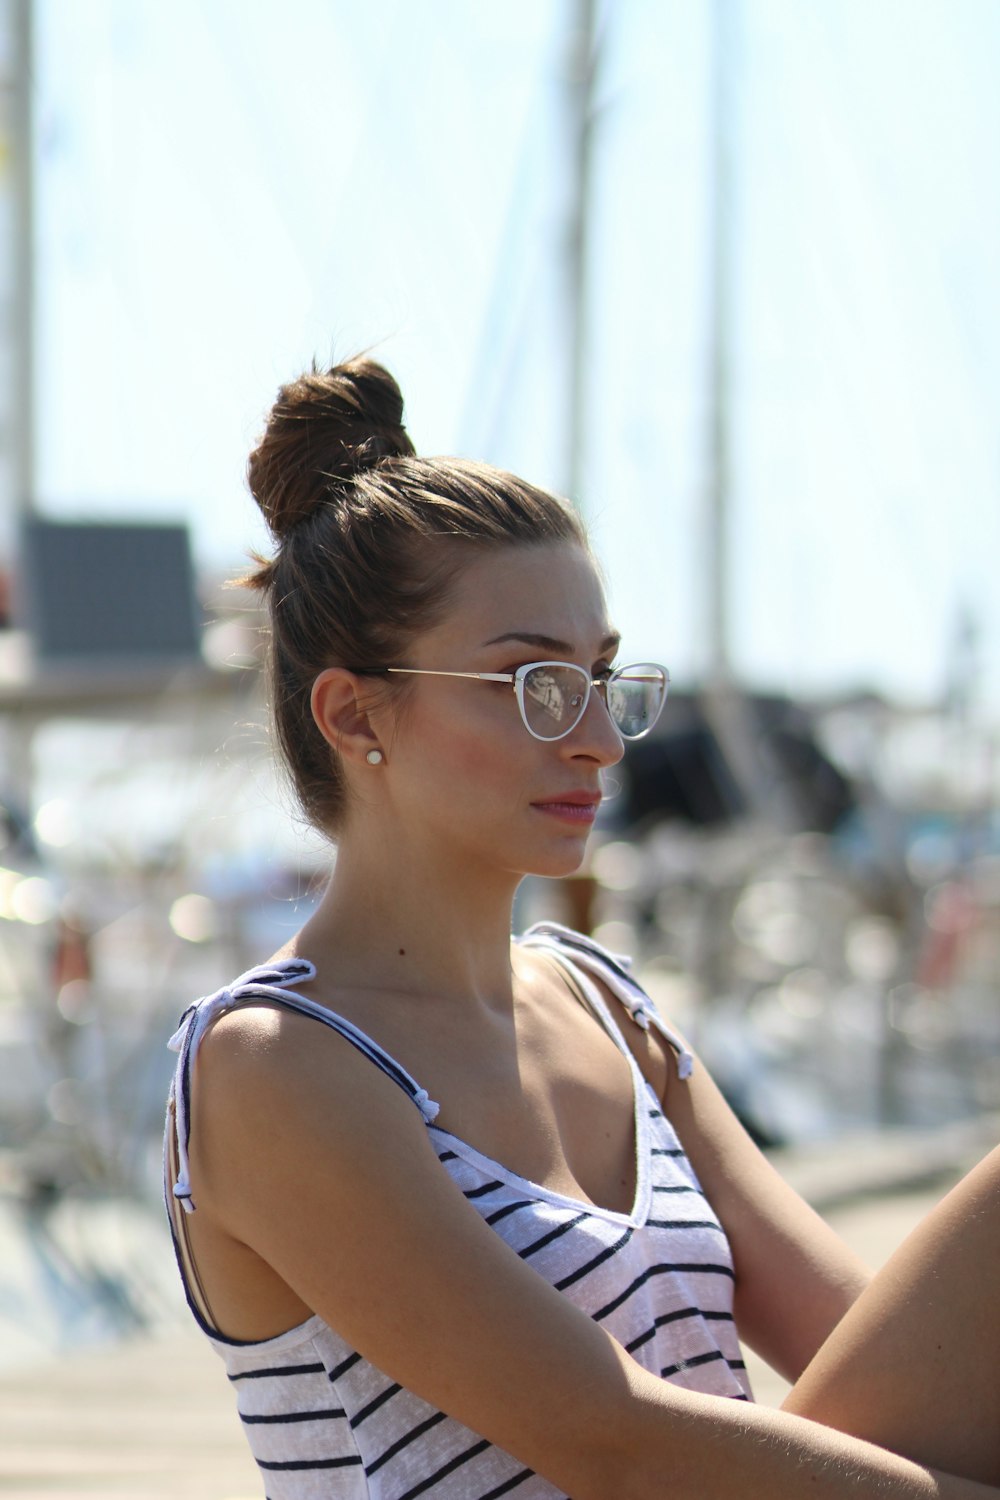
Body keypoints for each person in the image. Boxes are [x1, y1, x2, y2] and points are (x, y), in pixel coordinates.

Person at [165, 355, 1000, 1500]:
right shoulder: (272, 1066)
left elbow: (875, 1350)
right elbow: (605, 1438)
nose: (601, 739)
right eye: (533, 686)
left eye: (602, 680)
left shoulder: (603, 1006)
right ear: (356, 712)